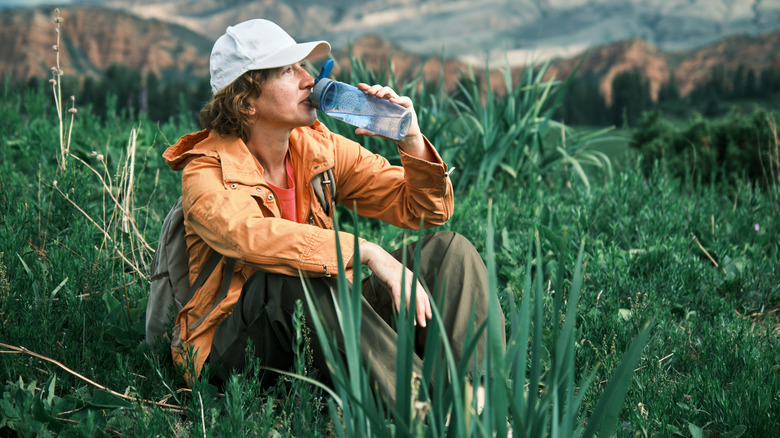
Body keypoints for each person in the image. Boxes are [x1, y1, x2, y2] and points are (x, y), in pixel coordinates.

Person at [162, 18, 505, 406]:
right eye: (288, 70)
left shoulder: (319, 149)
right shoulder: (205, 169)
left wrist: (410, 137)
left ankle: (476, 404)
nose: (309, 79)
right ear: (246, 98)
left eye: (304, 66)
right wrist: (368, 252)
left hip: (321, 322)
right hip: (234, 352)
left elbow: (425, 210)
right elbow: (249, 235)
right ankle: (423, 409)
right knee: (293, 278)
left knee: (448, 252)